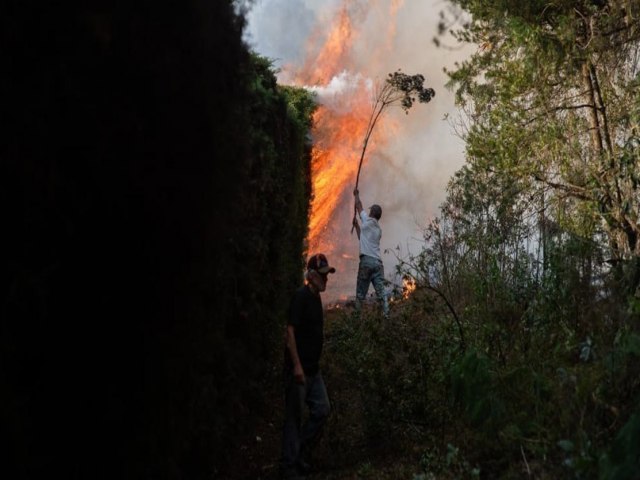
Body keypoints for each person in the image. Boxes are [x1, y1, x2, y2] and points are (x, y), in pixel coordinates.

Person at [281, 253, 335, 480]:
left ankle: (298, 451)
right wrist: (296, 366)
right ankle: (289, 468)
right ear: (311, 276)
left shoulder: (316, 297)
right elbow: (289, 331)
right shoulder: (301, 297)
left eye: (327, 275)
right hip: (300, 371)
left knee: (322, 409)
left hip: (314, 369)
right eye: (323, 275)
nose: (326, 279)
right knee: (294, 418)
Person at [352, 189, 390, 319]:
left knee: (360, 295)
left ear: (372, 213)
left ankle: (356, 320)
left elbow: (358, 206)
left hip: (366, 262)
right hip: (378, 264)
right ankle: (386, 317)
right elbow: (362, 238)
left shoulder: (366, 220)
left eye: (369, 211)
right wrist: (357, 225)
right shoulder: (378, 230)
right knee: (382, 294)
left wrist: (356, 194)